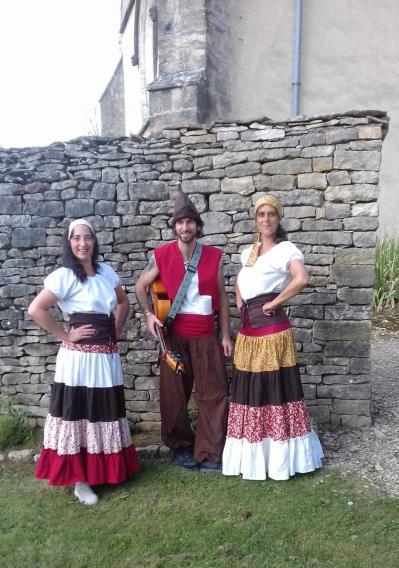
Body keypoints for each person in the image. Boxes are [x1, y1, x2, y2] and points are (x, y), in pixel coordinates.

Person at [28, 218, 139, 505]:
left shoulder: (105, 272)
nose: (82, 243)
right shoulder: (64, 276)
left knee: (102, 409)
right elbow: (36, 309)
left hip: (106, 356)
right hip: (78, 359)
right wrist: (66, 334)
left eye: (87, 237)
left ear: (94, 241)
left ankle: (103, 470)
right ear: (69, 242)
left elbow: (123, 303)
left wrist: (116, 328)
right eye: (76, 238)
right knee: (80, 410)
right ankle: (80, 480)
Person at [222, 194, 323, 481]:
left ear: (278, 219)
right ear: (255, 220)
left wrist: (274, 302)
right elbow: (240, 281)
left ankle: (279, 458)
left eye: (271, 214)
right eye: (261, 215)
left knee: (275, 391)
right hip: (248, 332)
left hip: (271, 332)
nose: (265, 219)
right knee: (251, 392)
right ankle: (255, 457)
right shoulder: (249, 252)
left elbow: (301, 278)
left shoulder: (285, 249)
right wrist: (240, 300)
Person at [135, 191, 233, 470]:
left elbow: (222, 298)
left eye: (190, 222)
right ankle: (180, 446)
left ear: (197, 226)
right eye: (180, 222)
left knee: (214, 393)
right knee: (174, 396)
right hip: (173, 336)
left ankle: (210, 451)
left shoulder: (213, 256)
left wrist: (225, 335)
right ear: (174, 226)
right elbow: (140, 287)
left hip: (205, 334)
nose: (185, 227)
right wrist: (149, 315)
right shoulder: (161, 255)